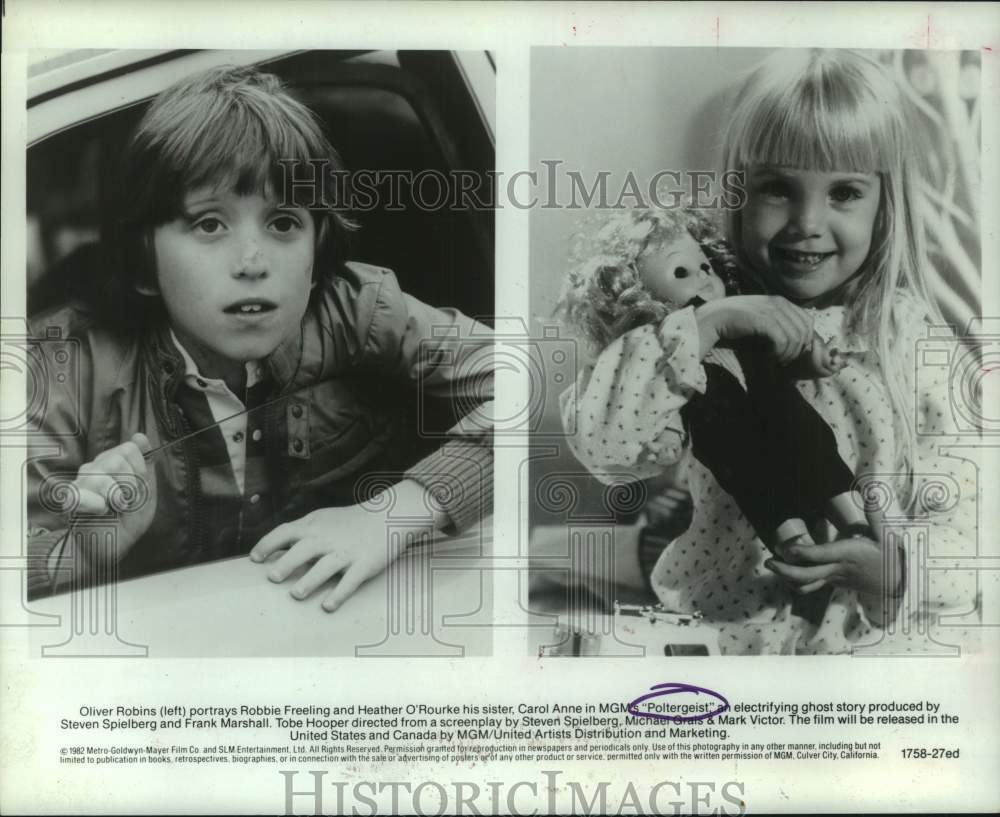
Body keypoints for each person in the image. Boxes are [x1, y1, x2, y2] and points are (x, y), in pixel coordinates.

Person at [26, 65, 493, 612]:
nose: (253, 263)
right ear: (142, 263)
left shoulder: (353, 311)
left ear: (317, 251)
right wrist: (87, 547)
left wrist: (391, 516)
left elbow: (543, 390)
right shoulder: (60, 366)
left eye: (283, 223)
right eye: (208, 224)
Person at [560, 49, 977, 654]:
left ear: (885, 205)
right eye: (778, 189)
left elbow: (971, 518)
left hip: (874, 641)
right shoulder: (690, 331)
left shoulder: (912, 343)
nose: (808, 221)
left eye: (844, 193)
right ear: (738, 193)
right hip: (735, 630)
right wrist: (710, 323)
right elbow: (607, 448)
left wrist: (897, 572)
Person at [557, 205, 870, 567]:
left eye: (706, 266)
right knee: (749, 474)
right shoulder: (669, 355)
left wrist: (816, 360)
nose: (705, 278)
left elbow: (788, 351)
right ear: (640, 297)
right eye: (681, 272)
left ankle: (853, 518)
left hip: (787, 418)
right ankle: (791, 538)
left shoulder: (749, 325)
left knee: (812, 438)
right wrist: (669, 439)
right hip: (735, 448)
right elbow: (672, 408)